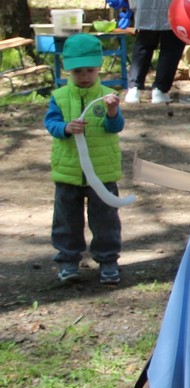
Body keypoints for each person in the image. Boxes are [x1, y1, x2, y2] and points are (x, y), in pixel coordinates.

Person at [46, 34, 125, 286]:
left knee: (105, 220)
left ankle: (108, 260)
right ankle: (68, 260)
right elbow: (51, 123)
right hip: (69, 171)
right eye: (78, 71)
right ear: (68, 70)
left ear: (98, 67)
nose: (84, 76)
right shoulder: (58, 97)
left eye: (90, 70)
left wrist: (112, 112)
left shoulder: (106, 95)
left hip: (102, 172)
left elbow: (116, 127)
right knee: (66, 219)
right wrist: (65, 128)